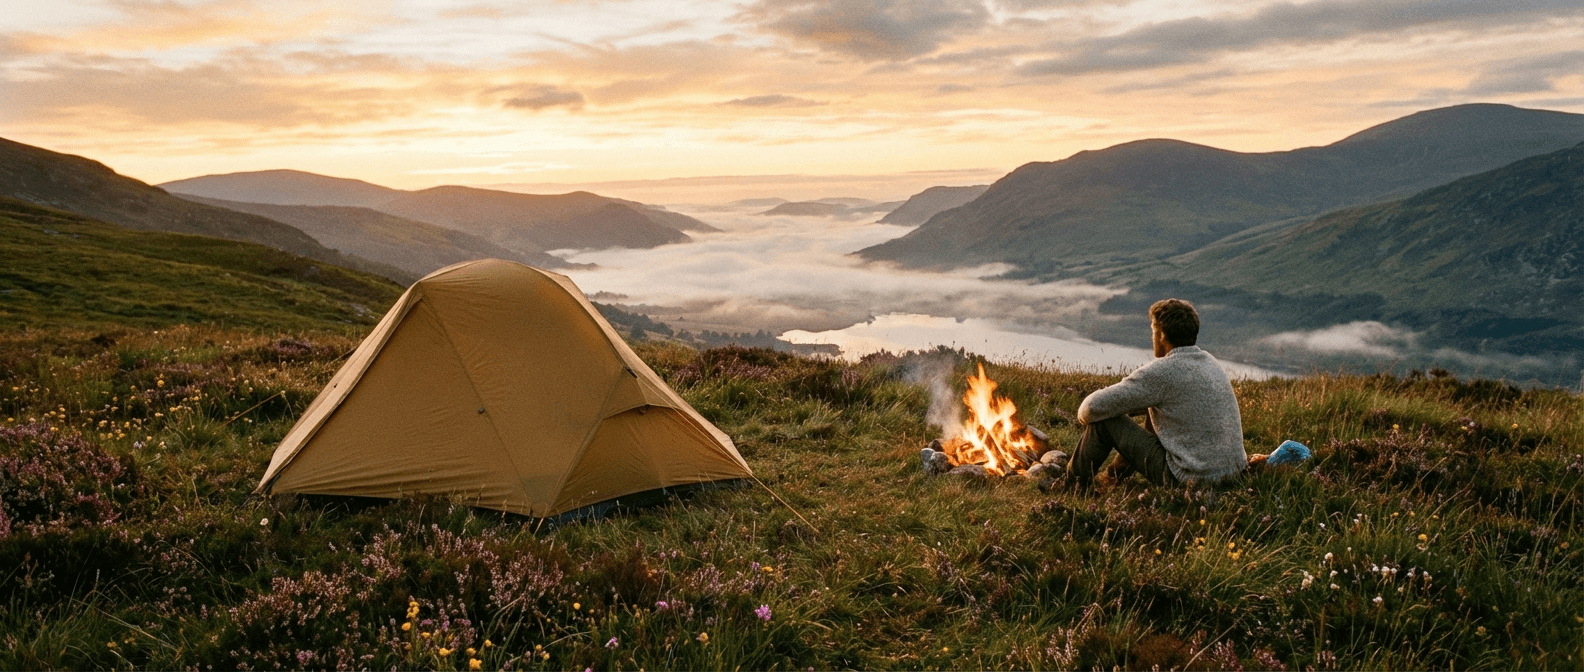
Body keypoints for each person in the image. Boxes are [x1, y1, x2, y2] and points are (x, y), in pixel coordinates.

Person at [1070, 298, 1246, 487]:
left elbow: (1090, 409)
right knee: (1151, 405)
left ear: (1161, 334)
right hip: (1234, 474)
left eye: (1153, 330)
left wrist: (1114, 411)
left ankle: (1072, 486)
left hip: (1187, 479)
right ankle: (1115, 476)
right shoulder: (1210, 362)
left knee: (1104, 422)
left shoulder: (1162, 372)